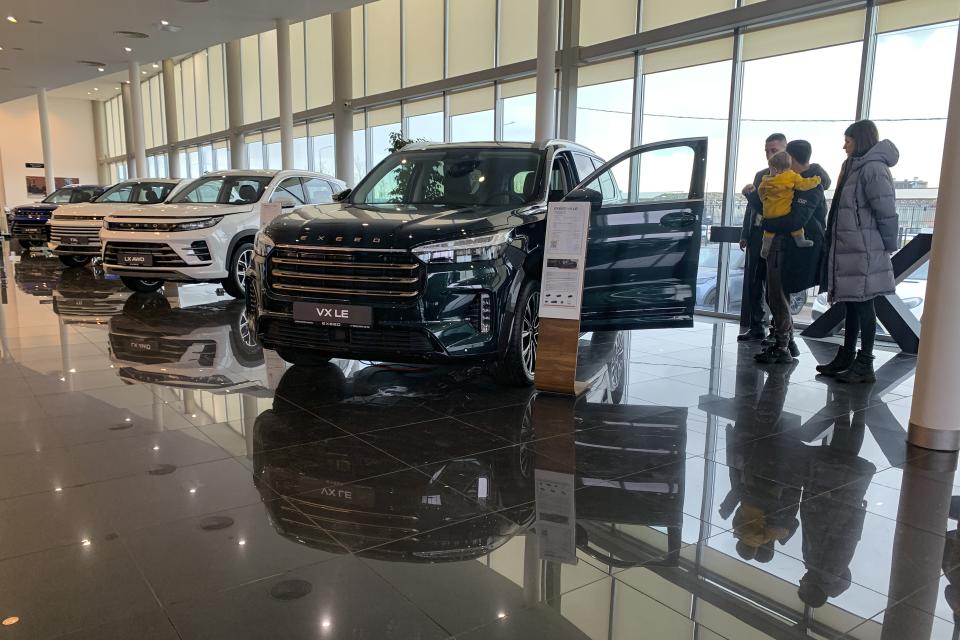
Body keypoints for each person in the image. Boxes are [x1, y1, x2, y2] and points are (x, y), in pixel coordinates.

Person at [816, 120, 899, 384]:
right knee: (851, 304)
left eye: (848, 141)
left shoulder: (874, 168)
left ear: (860, 140)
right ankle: (847, 355)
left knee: (864, 306)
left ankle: (865, 363)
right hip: (850, 248)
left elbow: (886, 210)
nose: (844, 146)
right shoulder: (853, 166)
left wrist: (887, 246)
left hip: (864, 249)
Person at [748, 142, 829, 364]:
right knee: (775, 295)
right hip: (783, 247)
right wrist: (754, 198)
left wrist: (768, 222)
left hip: (793, 249)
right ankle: (784, 340)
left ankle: (782, 345)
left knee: (778, 296)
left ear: (791, 158)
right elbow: (772, 206)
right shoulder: (791, 183)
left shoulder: (809, 186)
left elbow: (795, 220)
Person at [738, 134, 787, 342]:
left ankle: (779, 331)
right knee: (754, 283)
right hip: (757, 235)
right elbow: (752, 207)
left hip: (776, 237)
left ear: (785, 150)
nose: (769, 155)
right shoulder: (761, 175)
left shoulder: (789, 178)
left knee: (776, 288)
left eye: (773, 150)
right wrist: (745, 234)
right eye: (766, 150)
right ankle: (757, 326)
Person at [757, 151, 820, 259]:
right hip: (784, 211)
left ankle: (765, 248)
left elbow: (761, 191)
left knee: (768, 232)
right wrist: (816, 180)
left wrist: (764, 200)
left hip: (769, 212)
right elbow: (803, 184)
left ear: (775, 169)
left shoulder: (766, 180)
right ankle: (800, 240)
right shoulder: (791, 176)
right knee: (797, 229)